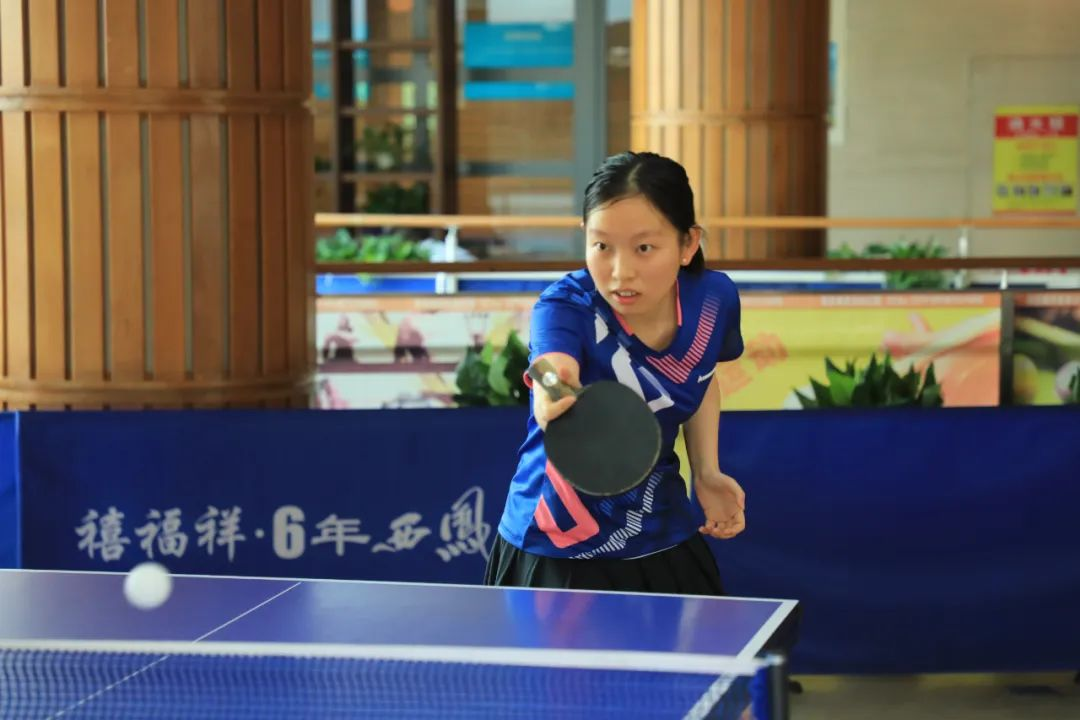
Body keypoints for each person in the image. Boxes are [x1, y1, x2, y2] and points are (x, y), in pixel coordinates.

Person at [484, 151, 747, 595]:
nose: (620, 272)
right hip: (555, 543)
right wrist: (553, 392)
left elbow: (702, 377)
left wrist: (707, 471)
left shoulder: (713, 300)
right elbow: (549, 367)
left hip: (661, 529)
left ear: (688, 244)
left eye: (644, 248)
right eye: (602, 246)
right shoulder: (565, 305)